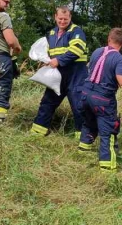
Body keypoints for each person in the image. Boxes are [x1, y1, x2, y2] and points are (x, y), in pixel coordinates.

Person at [77, 28, 122, 171]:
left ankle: (82, 153)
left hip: (85, 94)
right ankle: (107, 168)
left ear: (108, 38)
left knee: (88, 123)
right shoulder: (119, 59)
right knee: (108, 132)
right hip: (102, 99)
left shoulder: (97, 51)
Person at [29, 7, 88, 138]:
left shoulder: (76, 31)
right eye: (60, 19)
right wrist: (46, 60)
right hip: (57, 77)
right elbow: (49, 53)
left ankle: (84, 139)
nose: (62, 21)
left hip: (76, 76)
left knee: (79, 107)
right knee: (47, 103)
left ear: (70, 18)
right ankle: (37, 133)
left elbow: (77, 50)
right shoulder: (51, 33)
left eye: (65, 19)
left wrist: (58, 60)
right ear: (55, 17)